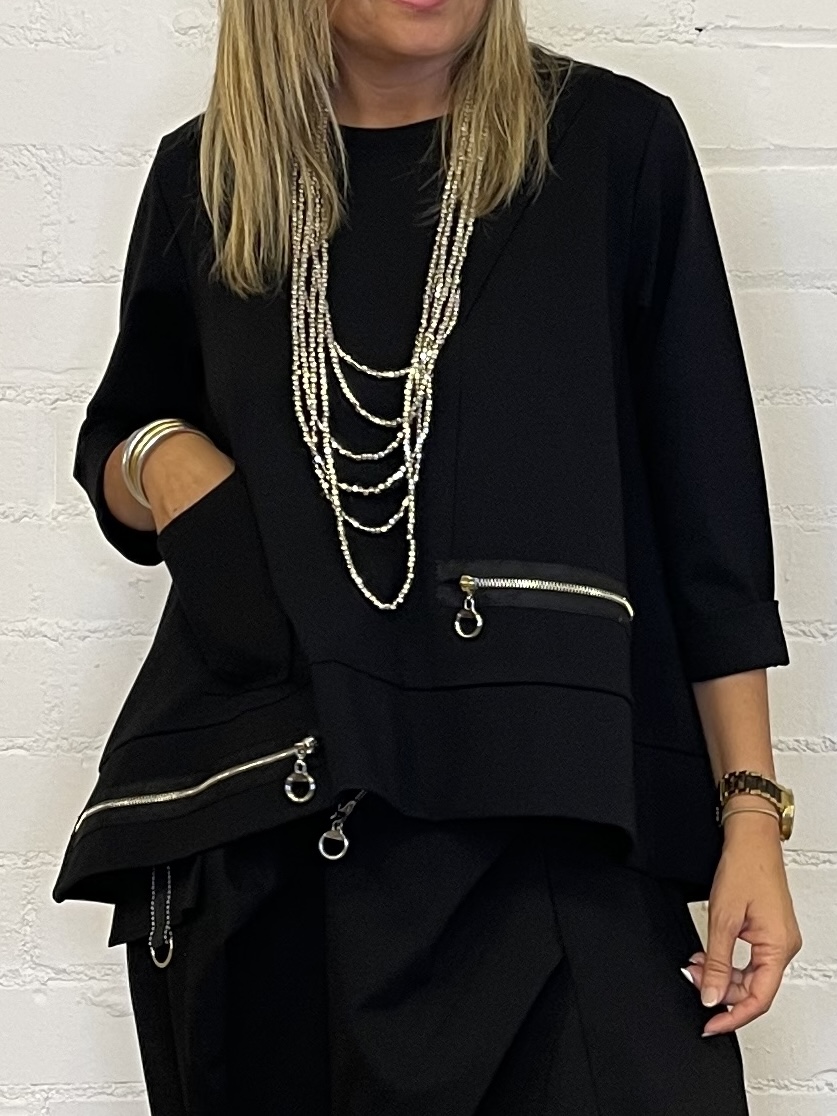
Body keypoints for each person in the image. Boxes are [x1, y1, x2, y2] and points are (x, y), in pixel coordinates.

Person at [52, 0, 803, 1112]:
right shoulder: (211, 179)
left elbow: (712, 521)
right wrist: (165, 458)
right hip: (269, 841)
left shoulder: (611, 146)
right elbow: (117, 441)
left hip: (552, 824)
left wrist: (749, 811)